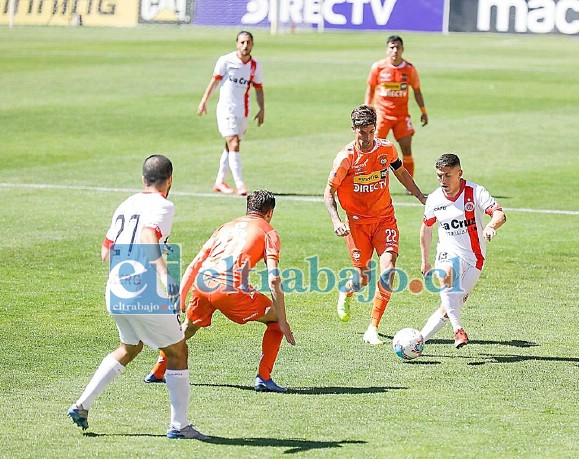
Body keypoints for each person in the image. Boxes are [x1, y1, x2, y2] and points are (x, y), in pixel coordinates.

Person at [67, 155, 208, 440]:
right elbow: (146, 236)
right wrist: (163, 273)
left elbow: (106, 252)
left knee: (129, 347)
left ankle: (82, 405)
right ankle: (180, 426)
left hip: (116, 288)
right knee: (177, 351)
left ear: (143, 179)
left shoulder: (126, 203)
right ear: (170, 179)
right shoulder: (163, 205)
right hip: (143, 289)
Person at [145, 190, 295, 392]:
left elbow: (196, 263)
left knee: (188, 327)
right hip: (229, 290)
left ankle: (157, 372)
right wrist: (284, 321)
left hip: (202, 283)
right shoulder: (268, 231)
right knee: (275, 321)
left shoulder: (226, 227)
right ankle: (264, 378)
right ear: (270, 212)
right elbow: (274, 278)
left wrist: (179, 298)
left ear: (248, 208)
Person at [323, 105, 427, 345]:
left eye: (371, 132)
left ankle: (373, 327)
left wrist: (420, 196)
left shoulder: (386, 149)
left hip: (384, 219)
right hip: (356, 225)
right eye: (362, 133)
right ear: (353, 130)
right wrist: (336, 220)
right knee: (364, 278)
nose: (367, 138)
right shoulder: (345, 158)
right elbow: (328, 194)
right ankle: (346, 291)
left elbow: (400, 172)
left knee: (388, 269)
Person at [419, 153, 506, 348]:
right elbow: (426, 228)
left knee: (449, 307)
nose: (443, 180)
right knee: (445, 275)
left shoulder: (475, 192)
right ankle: (458, 330)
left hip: (475, 258)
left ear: (459, 173)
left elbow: (499, 213)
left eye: (448, 175)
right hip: (448, 251)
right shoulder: (434, 199)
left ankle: (418, 341)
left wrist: (491, 226)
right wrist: (425, 260)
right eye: (439, 175)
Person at [197, 31, 265, 197]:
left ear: (252, 45)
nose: (245, 46)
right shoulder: (226, 61)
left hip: (243, 111)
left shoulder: (255, 66)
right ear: (236, 43)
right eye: (242, 42)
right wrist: (204, 101)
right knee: (234, 143)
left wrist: (262, 108)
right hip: (226, 109)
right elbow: (214, 82)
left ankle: (219, 181)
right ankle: (240, 184)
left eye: (248, 42)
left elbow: (258, 89)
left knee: (231, 146)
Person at [365, 35, 427, 178]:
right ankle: (372, 180)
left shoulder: (409, 69)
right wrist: (367, 109)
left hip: (402, 116)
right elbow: (371, 89)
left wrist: (423, 111)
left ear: (402, 49)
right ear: (387, 50)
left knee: (406, 149)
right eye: (392, 47)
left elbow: (417, 90)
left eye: (397, 47)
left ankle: (409, 184)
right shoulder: (378, 67)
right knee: (373, 148)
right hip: (381, 115)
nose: (395, 50)